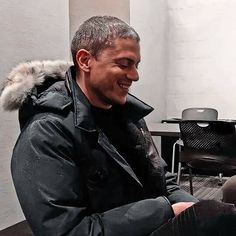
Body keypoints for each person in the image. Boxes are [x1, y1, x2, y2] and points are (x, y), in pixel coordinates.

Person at [0, 15, 235, 236]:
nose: (135, 75)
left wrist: (196, 210)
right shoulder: (44, 134)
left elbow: (163, 182)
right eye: (124, 64)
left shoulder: (127, 115)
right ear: (85, 60)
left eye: (136, 65)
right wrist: (164, 211)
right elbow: (67, 231)